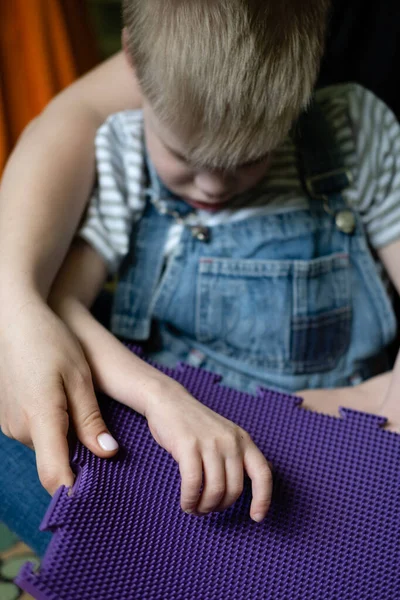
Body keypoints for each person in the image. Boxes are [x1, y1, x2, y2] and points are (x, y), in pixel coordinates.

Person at [1, 0, 400, 558]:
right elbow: (61, 309)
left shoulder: (354, 130)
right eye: (183, 154)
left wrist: (372, 399)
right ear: (133, 62)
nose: (212, 186)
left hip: (342, 429)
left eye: (251, 159)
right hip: (182, 436)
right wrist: (165, 399)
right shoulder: (122, 149)